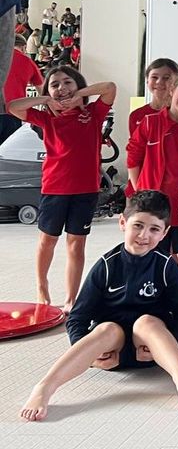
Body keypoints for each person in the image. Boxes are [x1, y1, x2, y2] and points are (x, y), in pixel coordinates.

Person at [20, 190, 178, 421]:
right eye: (138, 226)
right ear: (123, 223)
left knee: (147, 322)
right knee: (107, 329)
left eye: (154, 229)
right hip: (111, 352)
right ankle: (44, 387)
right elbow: (77, 318)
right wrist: (92, 358)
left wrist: (172, 341)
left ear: (164, 233)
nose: (144, 235)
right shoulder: (107, 265)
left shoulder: (166, 265)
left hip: (149, 350)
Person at [8, 67, 116, 310]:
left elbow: (110, 87)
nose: (61, 88)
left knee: (76, 244)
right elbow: (13, 106)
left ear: (78, 86)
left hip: (86, 190)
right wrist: (46, 99)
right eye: (55, 84)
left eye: (68, 82)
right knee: (48, 240)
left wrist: (79, 96)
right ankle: (42, 287)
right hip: (54, 189)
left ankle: (70, 299)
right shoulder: (46, 118)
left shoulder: (93, 113)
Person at [127, 69, 178, 275]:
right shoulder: (150, 122)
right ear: (172, 89)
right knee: (152, 253)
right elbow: (133, 160)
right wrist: (141, 193)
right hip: (153, 205)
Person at [1, 33, 43, 144]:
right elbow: (43, 92)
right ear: (24, 47)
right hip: (12, 113)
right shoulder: (28, 62)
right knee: (7, 149)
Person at [129, 58, 178, 137]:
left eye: (166, 78)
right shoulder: (136, 115)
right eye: (154, 77)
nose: (159, 82)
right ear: (147, 81)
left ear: (177, 82)